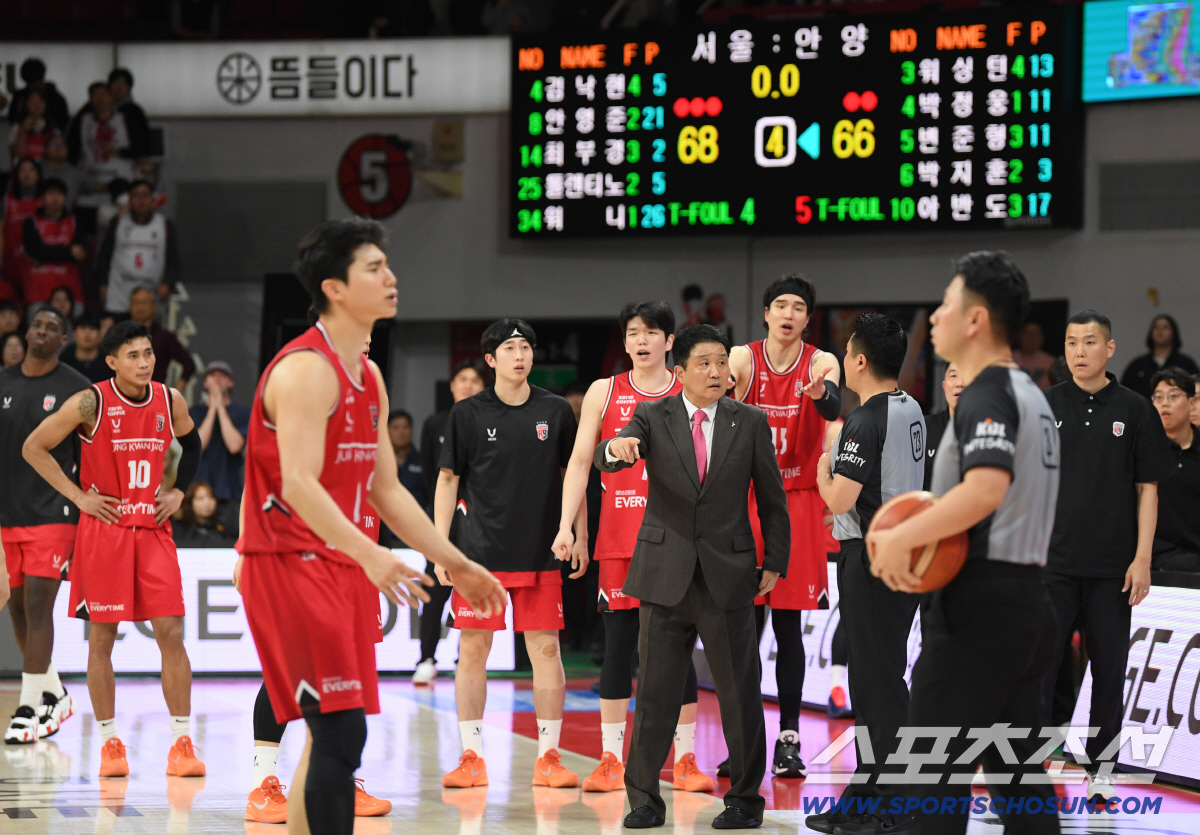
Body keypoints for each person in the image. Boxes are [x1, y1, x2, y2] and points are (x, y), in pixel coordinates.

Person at [237, 218, 505, 835]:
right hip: (286, 563)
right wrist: (373, 556)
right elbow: (298, 483)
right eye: (374, 268)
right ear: (334, 287)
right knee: (340, 730)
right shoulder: (306, 370)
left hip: (335, 563)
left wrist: (454, 561)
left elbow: (384, 489)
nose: (391, 278)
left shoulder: (370, 374)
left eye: (388, 266)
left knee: (331, 734)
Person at [867, 251, 1061, 835]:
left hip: (982, 608)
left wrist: (902, 537)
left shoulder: (987, 393)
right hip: (1029, 606)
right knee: (1022, 787)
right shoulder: (1032, 396)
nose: (935, 316)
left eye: (947, 303)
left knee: (927, 786)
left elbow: (984, 489)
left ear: (975, 319)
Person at [595, 323, 788, 830]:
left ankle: (745, 800)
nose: (717, 372)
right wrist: (616, 450)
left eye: (722, 362)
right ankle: (643, 800)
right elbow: (615, 450)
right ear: (678, 371)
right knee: (656, 693)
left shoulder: (749, 421)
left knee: (739, 695)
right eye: (704, 363)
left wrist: (776, 561)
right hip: (664, 574)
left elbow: (772, 498)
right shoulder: (651, 415)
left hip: (729, 575)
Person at [22, 319, 205, 779]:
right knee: (102, 640)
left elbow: (193, 441)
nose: (145, 363)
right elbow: (34, 447)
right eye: (133, 356)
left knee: (172, 634)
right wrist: (79, 496)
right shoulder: (91, 401)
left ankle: (182, 743)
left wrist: (181, 490)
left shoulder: (169, 398)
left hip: (154, 529)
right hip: (105, 532)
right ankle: (108, 744)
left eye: (148, 354)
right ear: (111, 362)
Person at [551, 301, 714, 795]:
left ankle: (684, 760)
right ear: (625, 343)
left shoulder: (689, 389)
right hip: (620, 540)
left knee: (677, 652)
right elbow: (580, 463)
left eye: (651, 332)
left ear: (669, 341)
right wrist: (569, 529)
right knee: (619, 649)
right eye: (632, 333)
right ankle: (608, 759)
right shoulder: (605, 390)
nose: (641, 341)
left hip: (679, 542)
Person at [436, 317, 587, 791]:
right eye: (510, 348)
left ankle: (548, 756)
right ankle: (471, 756)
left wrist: (578, 533)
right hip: (479, 556)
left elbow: (573, 475)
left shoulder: (557, 410)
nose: (520, 356)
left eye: (526, 347)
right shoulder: (466, 414)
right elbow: (447, 481)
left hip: (542, 554)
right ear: (490, 359)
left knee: (545, 650)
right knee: (473, 651)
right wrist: (441, 550)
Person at [1041, 309, 1174, 800]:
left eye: (1090, 342)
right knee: (1040, 672)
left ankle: (1102, 773)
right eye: (1072, 342)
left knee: (1109, 674)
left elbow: (1148, 490)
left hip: (1113, 569)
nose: (1079, 351)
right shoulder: (1045, 403)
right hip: (1052, 565)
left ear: (1110, 349)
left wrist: (1142, 559)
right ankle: (1030, 773)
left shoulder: (1135, 408)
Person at [809, 312, 925, 835]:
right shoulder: (914, 408)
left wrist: (821, 472)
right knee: (881, 681)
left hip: (871, 556)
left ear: (858, 360)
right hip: (906, 556)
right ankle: (867, 796)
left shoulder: (863, 419)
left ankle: (891, 806)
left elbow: (841, 496)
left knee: (876, 687)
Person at [729, 275, 842, 779]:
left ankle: (790, 739)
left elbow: (834, 407)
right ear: (767, 313)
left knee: (789, 626)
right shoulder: (743, 358)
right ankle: (745, 739)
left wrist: (821, 397)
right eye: (781, 304)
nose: (789, 312)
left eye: (798, 306)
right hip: (746, 500)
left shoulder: (821, 362)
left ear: (807, 317)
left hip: (797, 502)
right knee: (743, 628)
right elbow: (718, 396)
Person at [0, 307, 89, 744]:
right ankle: (54, 692)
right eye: (37, 325)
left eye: (52, 327)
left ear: (64, 339)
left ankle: (28, 708)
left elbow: (89, 454)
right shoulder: (4, 381)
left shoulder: (76, 389)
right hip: (7, 515)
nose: (41, 331)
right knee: (16, 609)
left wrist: (84, 502)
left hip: (56, 513)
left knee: (38, 605)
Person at [412, 358, 487, 685]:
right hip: (441, 524)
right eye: (462, 379)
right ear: (452, 385)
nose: (468, 384)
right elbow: (432, 476)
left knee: (473, 592)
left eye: (475, 380)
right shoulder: (434, 424)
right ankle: (427, 658)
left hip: (481, 522)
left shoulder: (491, 420)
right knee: (434, 590)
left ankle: (464, 658)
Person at [95, 180, 179, 315]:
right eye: (136, 196)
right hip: (119, 295)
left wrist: (168, 283)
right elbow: (104, 256)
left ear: (153, 198)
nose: (141, 200)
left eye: (145, 195)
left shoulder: (164, 225)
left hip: (150, 295)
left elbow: (173, 260)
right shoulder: (118, 222)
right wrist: (103, 284)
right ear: (129, 199)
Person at [1150, 368, 1200, 571]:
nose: (1164, 403)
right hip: (1160, 557)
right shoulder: (1144, 450)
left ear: (1192, 403)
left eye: (1173, 396)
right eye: (1158, 397)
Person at [189, 359, 247, 524]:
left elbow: (235, 446)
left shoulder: (242, 413)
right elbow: (198, 446)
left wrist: (220, 407)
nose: (217, 380)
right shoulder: (194, 413)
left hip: (229, 491)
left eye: (223, 376)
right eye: (212, 376)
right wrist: (212, 409)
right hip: (199, 493)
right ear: (205, 383)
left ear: (231, 383)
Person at [66, 82, 134, 207]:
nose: (100, 99)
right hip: (91, 181)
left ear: (112, 97)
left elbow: (141, 148)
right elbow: (67, 146)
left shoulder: (126, 119)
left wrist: (117, 151)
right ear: (90, 100)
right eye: (95, 95)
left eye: (104, 94)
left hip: (120, 180)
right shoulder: (82, 121)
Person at [21, 178, 85, 306]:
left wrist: (45, 251)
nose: (55, 198)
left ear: (65, 197)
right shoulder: (31, 221)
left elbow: (79, 253)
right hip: (38, 289)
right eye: (50, 194)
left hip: (70, 289)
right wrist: (68, 251)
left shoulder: (75, 221)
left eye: (59, 194)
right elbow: (35, 251)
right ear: (42, 197)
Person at [1121, 314, 1200, 400]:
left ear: (1174, 333)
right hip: (1141, 412)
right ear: (1151, 333)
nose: (1160, 331)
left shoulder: (1185, 364)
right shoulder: (1137, 366)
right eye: (1156, 327)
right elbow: (1122, 394)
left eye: (1165, 327)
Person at [129, 287, 195, 385]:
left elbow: (189, 365)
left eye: (144, 303)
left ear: (154, 306)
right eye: (136, 303)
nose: (140, 307)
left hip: (155, 395)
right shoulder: (121, 337)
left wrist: (174, 394)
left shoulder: (164, 337)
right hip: (123, 397)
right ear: (130, 307)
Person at [2, 157, 42, 289]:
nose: (27, 174)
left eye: (31, 169)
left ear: (38, 174)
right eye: (22, 170)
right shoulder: (7, 201)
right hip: (11, 264)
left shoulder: (45, 201)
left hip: (37, 265)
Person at [923, 363, 964, 490]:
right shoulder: (924, 427)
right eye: (953, 376)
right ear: (944, 385)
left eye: (967, 376)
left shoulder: (986, 430)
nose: (959, 383)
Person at [5, 59, 70, 133]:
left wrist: (52, 143)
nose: (36, 106)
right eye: (31, 102)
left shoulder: (56, 99)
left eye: (40, 102)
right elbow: (14, 127)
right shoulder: (19, 98)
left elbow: (59, 134)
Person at [171, 482, 235, 547]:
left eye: (211, 497)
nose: (207, 503)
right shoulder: (180, 530)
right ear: (190, 502)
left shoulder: (223, 528)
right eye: (200, 498)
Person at [8, 90, 56, 163]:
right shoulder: (16, 128)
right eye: (32, 101)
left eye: (40, 100)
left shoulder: (54, 131)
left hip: (45, 171)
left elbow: (55, 154)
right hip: (23, 171)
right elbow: (18, 154)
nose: (37, 105)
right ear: (25, 104)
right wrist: (23, 131)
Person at [60, 313, 111, 383]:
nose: (87, 334)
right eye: (82, 328)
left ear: (99, 334)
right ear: (74, 333)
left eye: (92, 329)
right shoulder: (64, 360)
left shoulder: (109, 363)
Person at [1015, 321, 1055, 390]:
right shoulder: (1008, 357)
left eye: (1035, 334)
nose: (1031, 338)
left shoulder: (1050, 363)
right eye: (1028, 333)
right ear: (1020, 336)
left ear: (1042, 338)